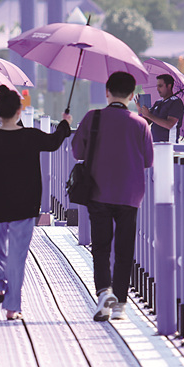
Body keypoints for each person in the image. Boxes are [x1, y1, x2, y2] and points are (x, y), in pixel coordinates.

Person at [0, 86, 71, 321]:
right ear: (20, 111)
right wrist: (64, 124)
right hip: (24, 206)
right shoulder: (31, 136)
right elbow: (54, 142)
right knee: (17, 256)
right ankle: (12, 307)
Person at [73, 71, 154, 321]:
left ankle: (103, 293)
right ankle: (120, 304)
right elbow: (149, 161)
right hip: (130, 194)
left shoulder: (92, 118)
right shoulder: (141, 124)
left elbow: (77, 151)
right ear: (131, 96)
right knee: (124, 249)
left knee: (100, 247)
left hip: (98, 191)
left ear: (106, 92)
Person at [138, 74, 184, 143]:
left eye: (160, 86)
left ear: (169, 86)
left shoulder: (176, 102)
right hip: (154, 144)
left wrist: (149, 115)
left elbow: (169, 124)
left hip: (169, 145)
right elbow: (146, 122)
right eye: (157, 86)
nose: (157, 89)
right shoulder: (158, 102)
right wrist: (140, 109)